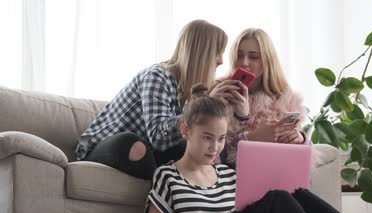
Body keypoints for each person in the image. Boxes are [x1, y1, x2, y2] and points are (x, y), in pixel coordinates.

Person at [145, 84, 372, 213]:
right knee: (277, 199)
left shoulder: (228, 174)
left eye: (221, 139)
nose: (215, 147)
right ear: (186, 131)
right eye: (207, 138)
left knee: (298, 195)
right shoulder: (168, 175)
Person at [74, 20, 249, 180]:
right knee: (132, 144)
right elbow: (159, 137)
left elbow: (206, 141)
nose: (220, 60)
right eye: (218, 52)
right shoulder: (158, 76)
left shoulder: (193, 89)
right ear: (201, 53)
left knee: (195, 154)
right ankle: (169, 189)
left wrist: (241, 115)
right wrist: (201, 108)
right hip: (105, 148)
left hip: (150, 152)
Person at [221, 28, 307, 166]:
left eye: (254, 57)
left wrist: (300, 139)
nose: (244, 62)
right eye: (239, 55)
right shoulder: (221, 92)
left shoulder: (284, 96)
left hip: (277, 168)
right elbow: (213, 152)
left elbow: (299, 157)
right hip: (233, 173)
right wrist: (250, 139)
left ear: (268, 60)